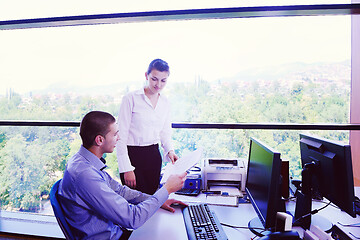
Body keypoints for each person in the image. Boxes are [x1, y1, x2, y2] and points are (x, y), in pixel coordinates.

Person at [59, 111, 187, 240]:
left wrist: (157, 201)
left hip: (117, 231)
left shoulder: (83, 160)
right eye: (115, 134)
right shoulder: (85, 175)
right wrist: (166, 189)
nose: (119, 137)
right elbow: (132, 218)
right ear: (100, 140)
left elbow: (120, 191)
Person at [116, 58, 179, 194]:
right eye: (154, 79)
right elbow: (120, 136)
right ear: (146, 76)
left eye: (163, 80)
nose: (158, 84)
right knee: (134, 202)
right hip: (132, 156)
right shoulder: (130, 98)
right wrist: (126, 168)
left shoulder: (165, 102)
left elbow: (165, 132)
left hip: (154, 156)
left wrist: (170, 151)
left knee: (152, 201)